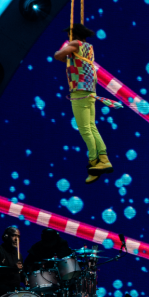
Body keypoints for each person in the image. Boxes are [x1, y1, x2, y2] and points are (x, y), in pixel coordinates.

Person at [53, 23, 114, 183]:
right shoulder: (89, 47)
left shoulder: (75, 44)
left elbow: (59, 56)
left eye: (69, 35)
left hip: (80, 91)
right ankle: (103, 159)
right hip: (90, 90)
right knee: (92, 127)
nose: (67, 38)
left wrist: (61, 51)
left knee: (85, 129)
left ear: (74, 35)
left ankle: (94, 162)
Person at [0, 225, 25, 297]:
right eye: (14, 236)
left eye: (18, 237)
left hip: (15, 291)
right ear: (6, 237)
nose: (16, 239)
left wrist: (25, 277)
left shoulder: (18, 255)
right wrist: (13, 269)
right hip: (0, 292)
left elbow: (20, 276)